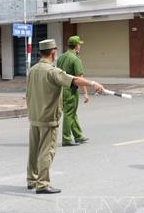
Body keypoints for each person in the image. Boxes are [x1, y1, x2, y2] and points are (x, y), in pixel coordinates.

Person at [27, 39, 104, 194]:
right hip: (48, 117)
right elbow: (74, 79)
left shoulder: (33, 69)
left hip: (34, 115)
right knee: (46, 151)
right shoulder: (52, 71)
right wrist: (93, 83)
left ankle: (32, 180)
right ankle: (42, 184)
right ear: (53, 52)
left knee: (34, 150)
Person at [57, 35, 89, 147]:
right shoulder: (75, 59)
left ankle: (78, 135)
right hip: (70, 89)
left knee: (71, 113)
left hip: (60, 88)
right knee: (69, 114)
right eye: (79, 45)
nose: (80, 47)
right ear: (76, 46)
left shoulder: (61, 57)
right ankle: (66, 138)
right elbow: (80, 78)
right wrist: (85, 93)